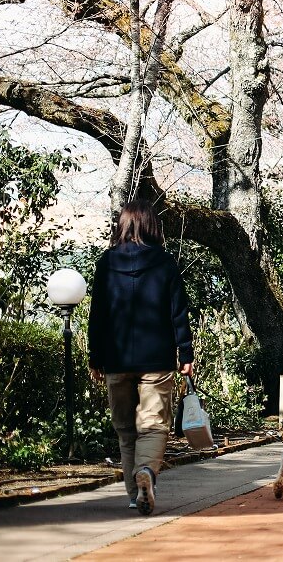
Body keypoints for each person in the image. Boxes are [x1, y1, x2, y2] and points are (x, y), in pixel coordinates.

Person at [88, 199, 194, 517]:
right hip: (157, 360)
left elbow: (97, 317)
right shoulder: (164, 263)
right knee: (153, 426)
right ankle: (146, 471)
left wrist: (96, 357)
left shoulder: (106, 263)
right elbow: (179, 313)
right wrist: (185, 354)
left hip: (116, 360)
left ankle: (135, 495)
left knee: (125, 429)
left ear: (122, 225)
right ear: (152, 226)